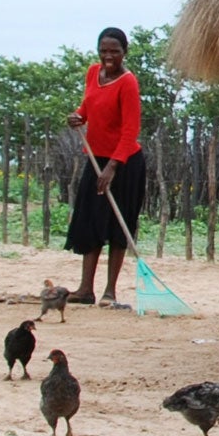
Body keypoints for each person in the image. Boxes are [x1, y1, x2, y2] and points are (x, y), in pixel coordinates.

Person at [64, 26, 145, 307]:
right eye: (104, 50)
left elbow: (130, 130)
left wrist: (113, 167)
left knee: (117, 226)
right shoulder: (92, 73)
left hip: (124, 163)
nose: (108, 56)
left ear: (125, 52)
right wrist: (77, 117)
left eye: (115, 51)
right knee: (89, 222)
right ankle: (86, 289)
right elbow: (87, 107)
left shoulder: (128, 83)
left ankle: (110, 291)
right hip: (96, 159)